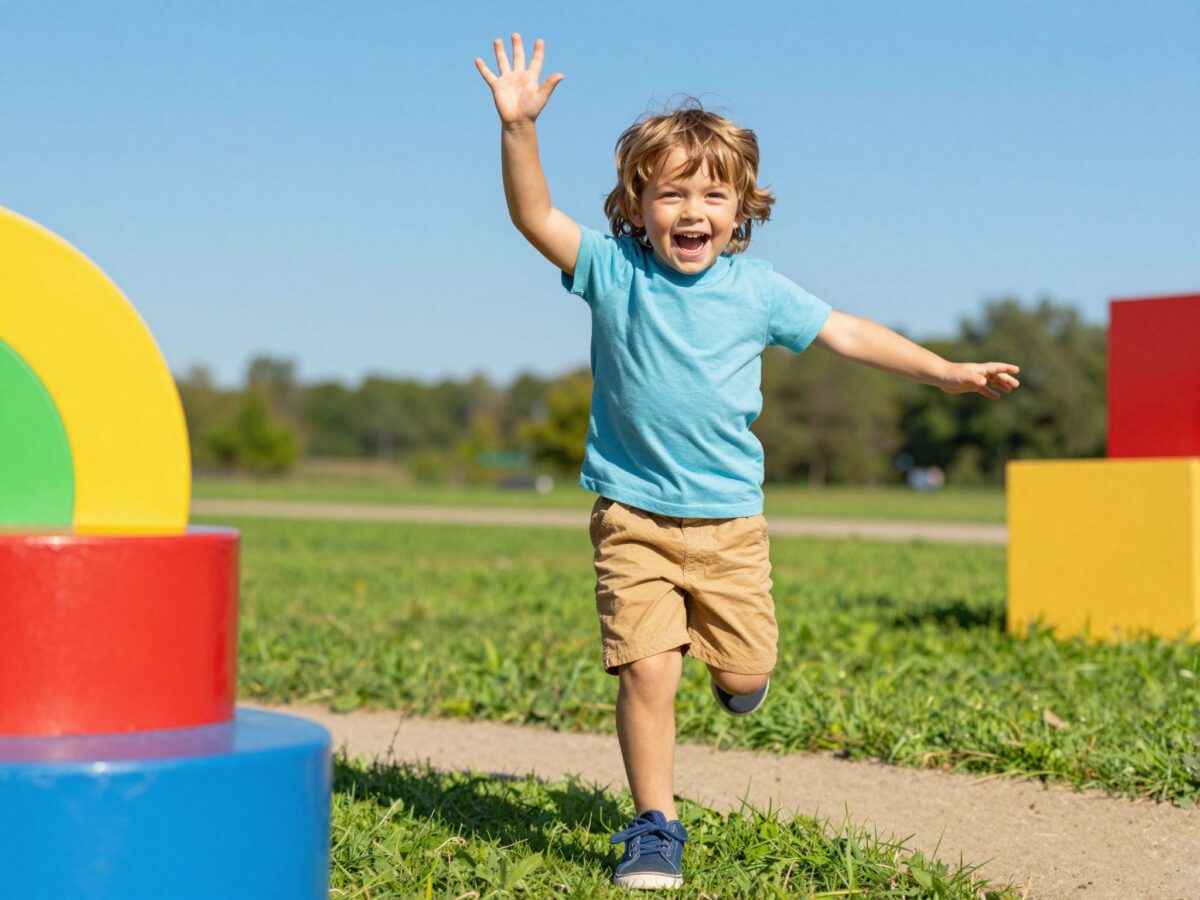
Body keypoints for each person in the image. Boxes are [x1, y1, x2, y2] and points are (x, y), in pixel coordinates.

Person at [475, 34, 1020, 891]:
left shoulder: (758, 290)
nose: (691, 210)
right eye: (670, 194)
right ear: (636, 204)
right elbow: (533, 216)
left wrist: (944, 370)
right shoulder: (613, 270)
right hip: (633, 515)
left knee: (742, 673)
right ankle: (655, 826)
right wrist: (519, 131)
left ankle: (734, 675)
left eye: (712, 194)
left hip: (731, 524)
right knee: (649, 672)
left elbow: (847, 332)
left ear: (741, 210)